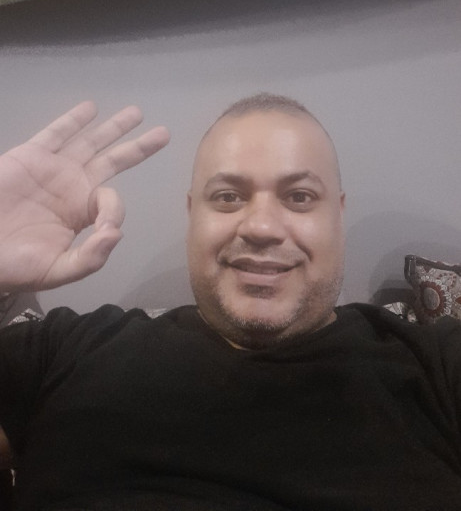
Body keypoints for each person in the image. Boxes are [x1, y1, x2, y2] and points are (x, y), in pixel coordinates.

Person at [0, 94, 460, 511]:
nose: (261, 227)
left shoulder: (437, 369)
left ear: (338, 214)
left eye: (299, 197)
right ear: (192, 214)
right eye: (228, 197)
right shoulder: (66, 351)